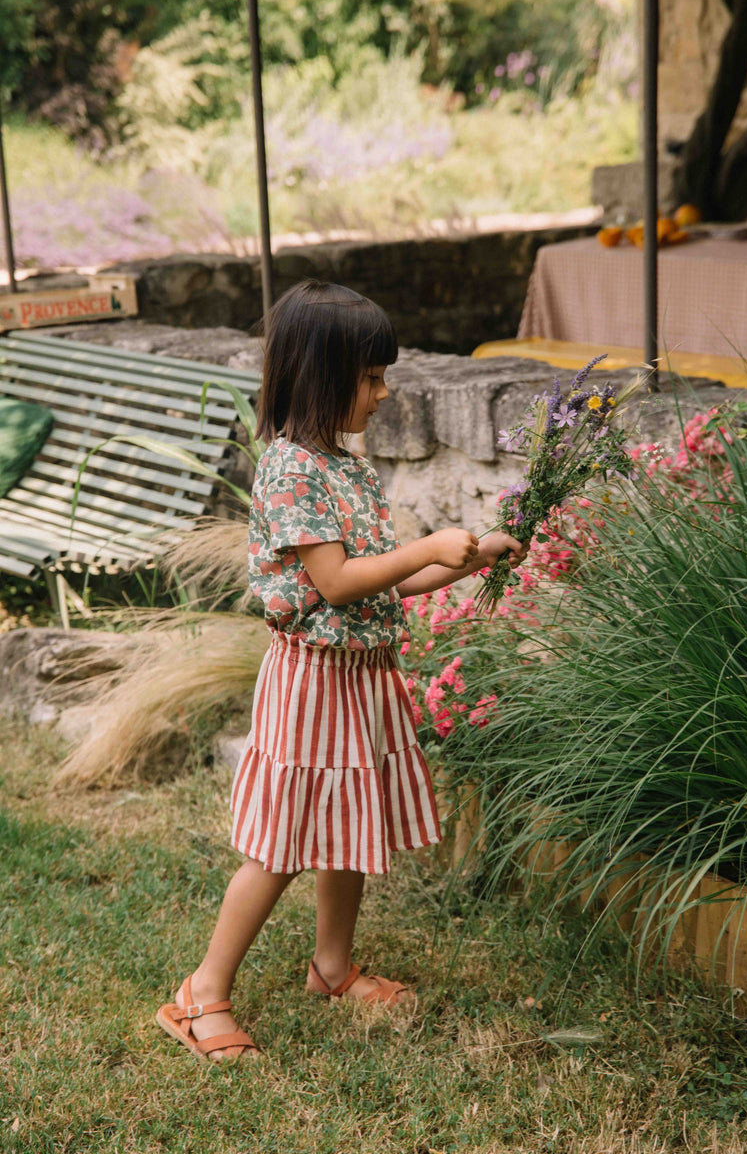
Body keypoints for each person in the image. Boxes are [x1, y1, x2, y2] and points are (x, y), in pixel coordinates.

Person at [156, 280, 528, 1062]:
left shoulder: (343, 465)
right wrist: (426, 546)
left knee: (346, 824)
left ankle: (331, 967)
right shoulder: (291, 470)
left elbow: (384, 579)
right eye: (369, 378)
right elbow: (334, 582)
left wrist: (468, 558)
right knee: (282, 844)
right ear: (320, 377)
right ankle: (200, 994)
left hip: (357, 677)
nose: (382, 393)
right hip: (312, 681)